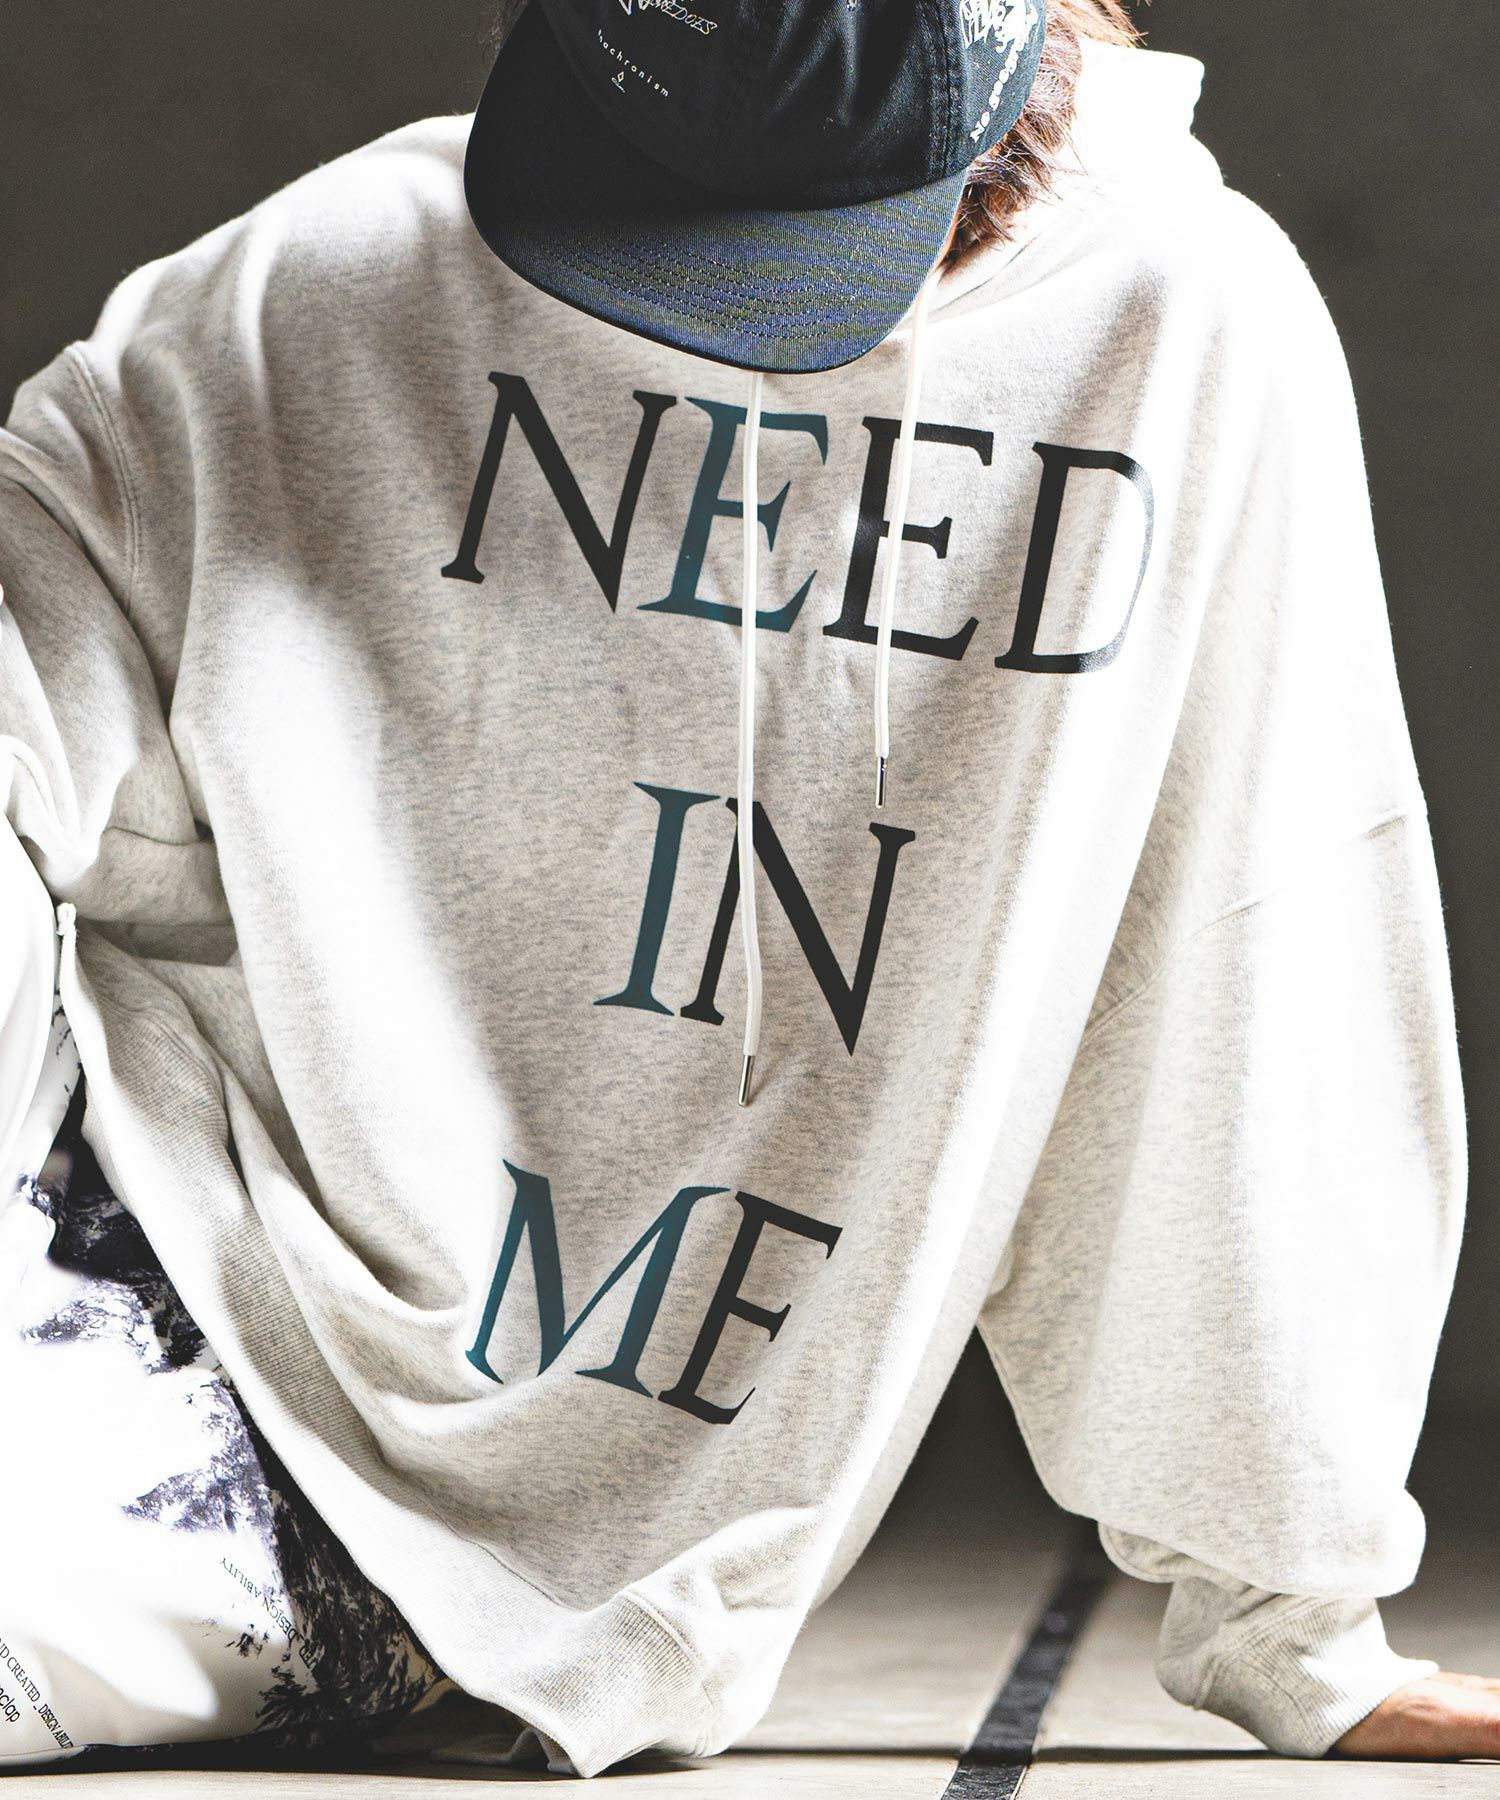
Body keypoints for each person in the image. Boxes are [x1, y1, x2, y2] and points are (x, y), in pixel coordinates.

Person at [0, 0, 1492, 1775]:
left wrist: (1294, 1617)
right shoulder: (315, 279)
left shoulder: (1177, 330)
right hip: (122, 1221)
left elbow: (1258, 944)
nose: (677, 278)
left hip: (418, 1521)